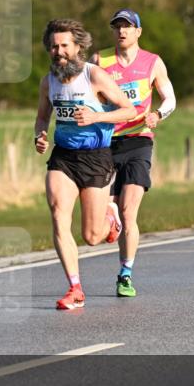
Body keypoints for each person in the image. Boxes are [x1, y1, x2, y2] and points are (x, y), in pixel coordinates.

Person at [34, 19, 136, 310]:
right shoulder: (48, 81)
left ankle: (110, 218)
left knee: (92, 237)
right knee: (57, 213)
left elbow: (127, 110)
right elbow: (43, 117)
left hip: (96, 157)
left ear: (78, 47)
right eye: (53, 46)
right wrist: (39, 135)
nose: (58, 51)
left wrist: (96, 117)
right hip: (63, 157)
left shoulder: (94, 76)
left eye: (64, 45)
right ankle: (75, 288)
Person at [94, 9, 176, 298]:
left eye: (128, 26)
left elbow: (170, 98)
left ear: (138, 32)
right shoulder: (99, 60)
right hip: (105, 142)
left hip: (139, 141)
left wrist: (157, 115)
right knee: (100, 220)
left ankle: (125, 274)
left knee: (129, 212)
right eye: (117, 26)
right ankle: (111, 220)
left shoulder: (152, 63)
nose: (122, 31)